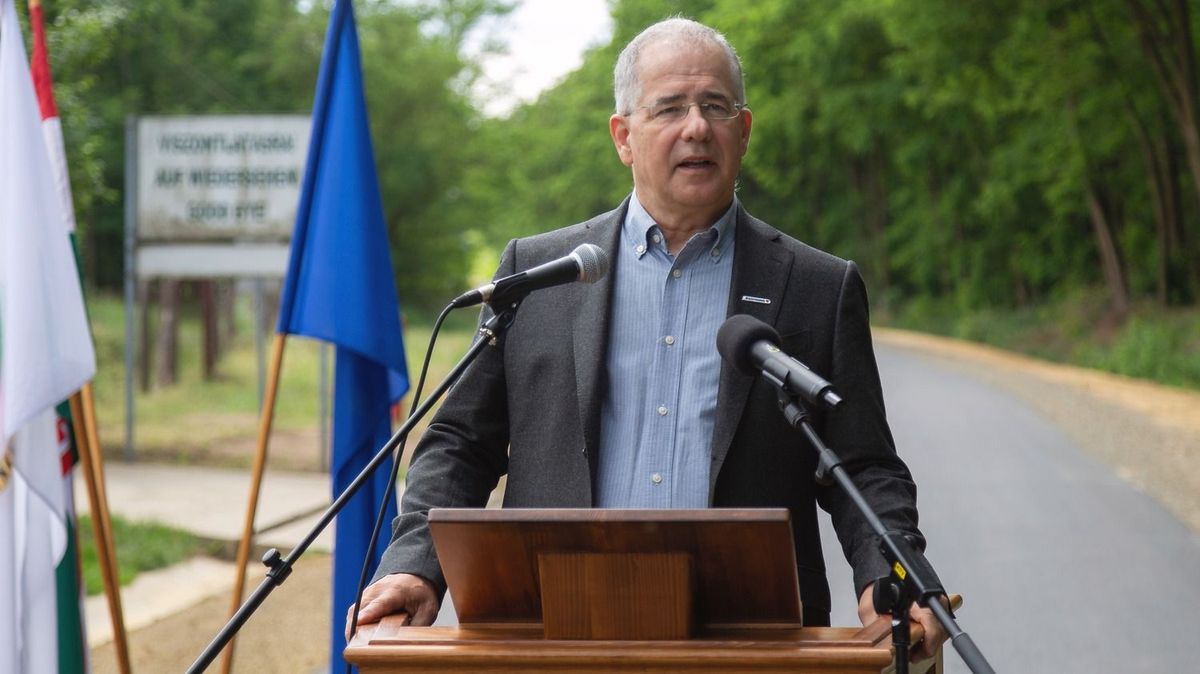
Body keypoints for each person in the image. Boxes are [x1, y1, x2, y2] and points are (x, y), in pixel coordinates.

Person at [351, 17, 947, 661]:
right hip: (550, 638)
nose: (696, 127)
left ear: (742, 133)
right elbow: (461, 444)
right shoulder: (539, 273)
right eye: (669, 108)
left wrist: (892, 575)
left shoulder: (816, 286)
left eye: (715, 107)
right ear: (623, 137)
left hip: (753, 643)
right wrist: (413, 566)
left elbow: (862, 466)